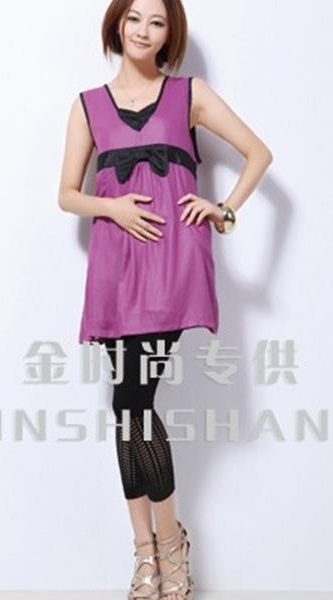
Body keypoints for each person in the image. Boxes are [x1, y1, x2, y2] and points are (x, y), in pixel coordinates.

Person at [58, 0, 273, 597]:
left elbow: (259, 153)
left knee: (134, 396)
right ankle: (149, 549)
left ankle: (168, 543)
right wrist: (112, 206)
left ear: (168, 34)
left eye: (157, 22)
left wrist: (224, 209)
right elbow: (66, 194)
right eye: (134, 18)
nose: (143, 31)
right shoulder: (87, 105)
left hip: (173, 262)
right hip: (115, 265)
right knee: (127, 407)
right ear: (117, 24)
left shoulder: (188, 94)